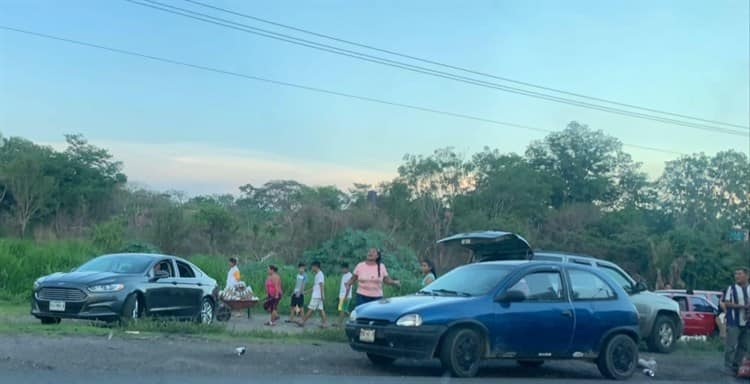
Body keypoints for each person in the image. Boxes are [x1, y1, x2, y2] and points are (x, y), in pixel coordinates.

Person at [722, 267, 750, 374]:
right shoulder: (732, 288)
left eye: (739, 274)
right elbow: (727, 303)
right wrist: (741, 306)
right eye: (736, 274)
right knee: (731, 345)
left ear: (747, 276)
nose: (737, 276)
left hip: (747, 322)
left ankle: (736, 365)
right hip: (734, 321)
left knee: (744, 345)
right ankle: (728, 366)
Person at [298, 261, 328, 328]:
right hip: (317, 295)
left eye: (312, 267)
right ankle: (325, 323)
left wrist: (322, 294)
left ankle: (303, 321)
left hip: (317, 296)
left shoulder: (320, 274)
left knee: (310, 309)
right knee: (320, 309)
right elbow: (315, 287)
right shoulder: (317, 275)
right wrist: (307, 292)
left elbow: (321, 285)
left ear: (316, 266)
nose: (312, 268)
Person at [336, 262, 353, 327]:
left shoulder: (349, 275)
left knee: (343, 310)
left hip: (346, 295)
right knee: (343, 309)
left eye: (343, 269)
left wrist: (346, 296)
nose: (342, 270)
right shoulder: (344, 275)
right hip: (342, 295)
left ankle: (339, 323)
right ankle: (353, 317)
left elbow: (348, 287)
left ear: (346, 268)